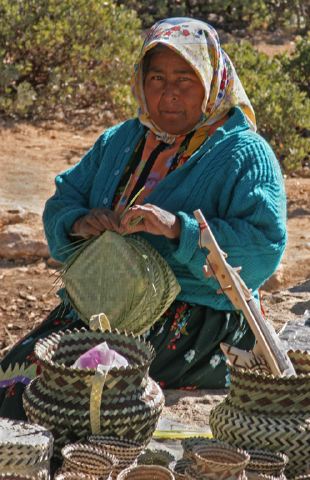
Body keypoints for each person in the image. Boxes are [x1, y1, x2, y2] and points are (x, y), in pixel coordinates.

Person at [0, 17, 287, 418]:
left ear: (211, 79)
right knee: (12, 378)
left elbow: (262, 250)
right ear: (140, 81)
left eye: (185, 79)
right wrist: (80, 222)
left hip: (195, 321)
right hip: (100, 306)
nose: (169, 94)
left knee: (56, 394)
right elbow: (63, 202)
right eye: (157, 79)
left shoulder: (244, 153)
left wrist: (178, 229)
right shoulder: (122, 140)